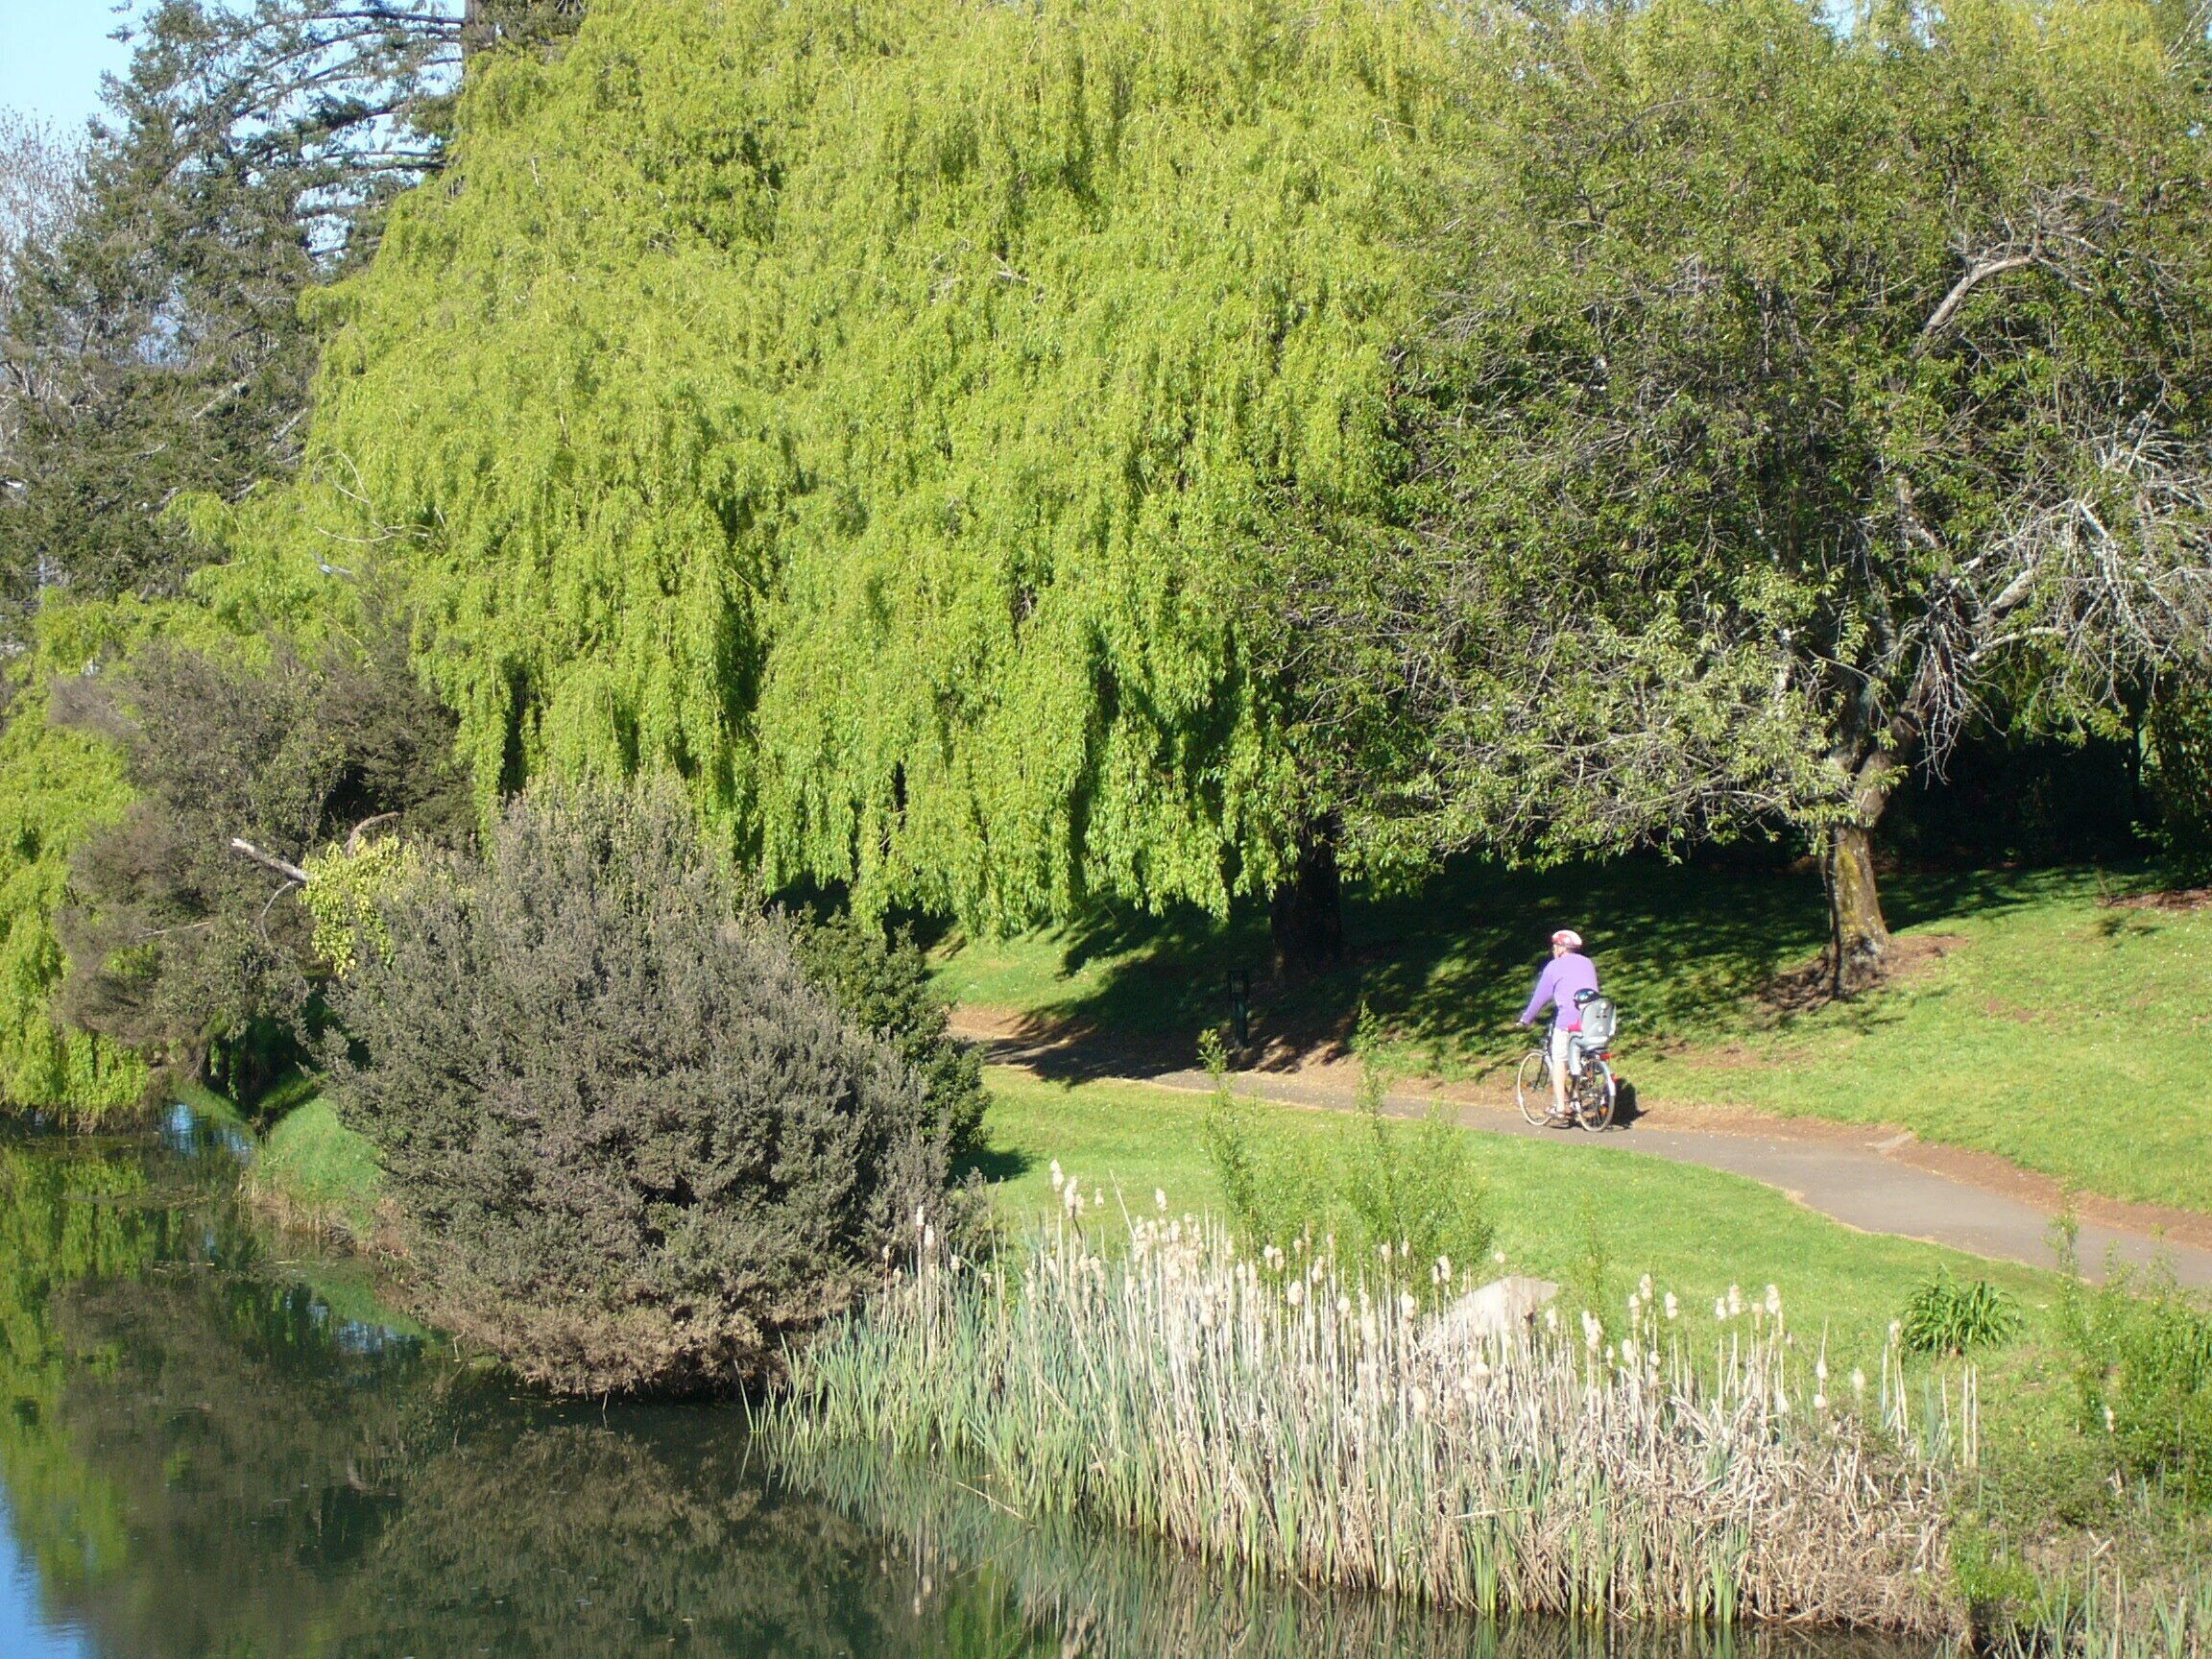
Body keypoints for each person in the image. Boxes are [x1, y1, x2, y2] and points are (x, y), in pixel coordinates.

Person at [1519, 927, 1599, 1125]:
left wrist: (1526, 1019)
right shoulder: (1588, 963)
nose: (1553, 950)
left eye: (1554, 947)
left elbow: (1540, 997)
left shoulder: (1554, 966)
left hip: (1568, 1022)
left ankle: (1561, 1108)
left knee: (1559, 1059)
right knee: (1583, 1053)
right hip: (1592, 1019)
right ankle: (1587, 1081)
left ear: (1562, 949)